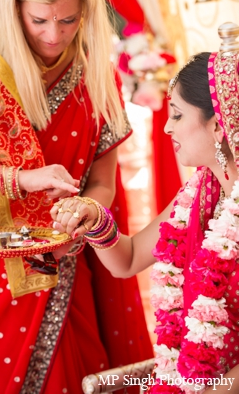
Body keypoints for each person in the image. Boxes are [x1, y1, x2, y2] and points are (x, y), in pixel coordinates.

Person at [0, 0, 153, 392]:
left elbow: (100, 181)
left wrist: (85, 216)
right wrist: (19, 180)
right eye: (39, 20)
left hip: (63, 260)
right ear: (14, 4)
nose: (54, 35)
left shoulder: (96, 70)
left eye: (68, 20)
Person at [51, 23, 239, 393]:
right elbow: (129, 258)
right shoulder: (201, 194)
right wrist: (94, 219)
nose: (167, 127)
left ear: (217, 126)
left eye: (178, 115)